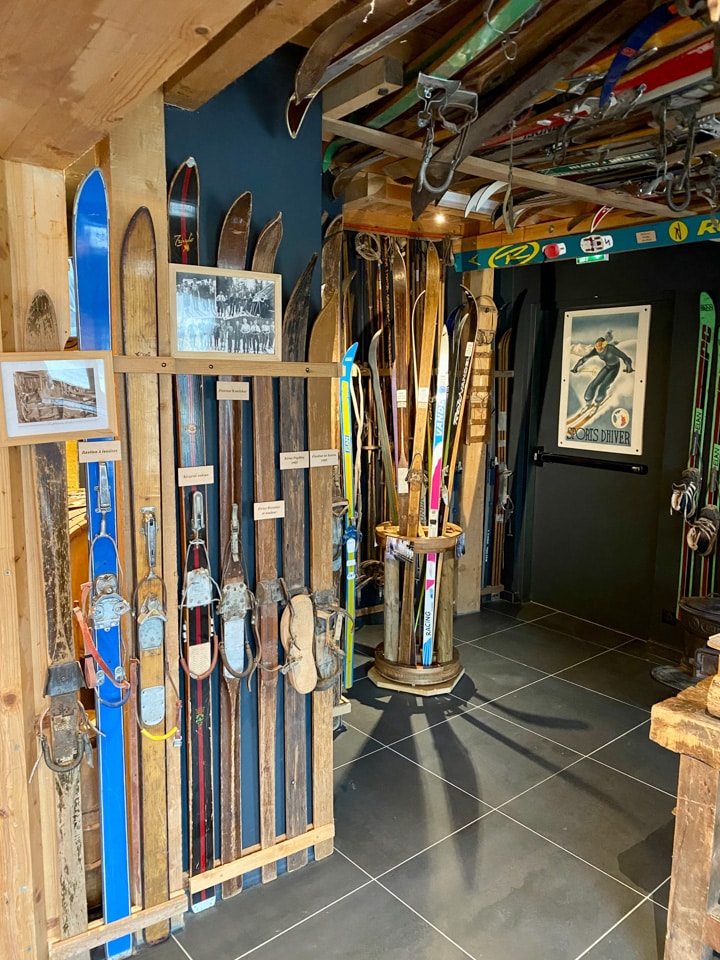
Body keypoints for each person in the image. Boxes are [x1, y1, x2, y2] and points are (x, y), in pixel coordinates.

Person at [571, 330, 634, 407]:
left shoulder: (610, 348)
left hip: (615, 368)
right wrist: (575, 368)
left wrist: (629, 368)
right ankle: (588, 401)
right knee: (594, 383)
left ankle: (598, 402)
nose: (598, 348)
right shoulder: (596, 350)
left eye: (599, 346)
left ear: (604, 345)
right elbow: (584, 359)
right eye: (596, 346)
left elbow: (625, 357)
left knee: (603, 385)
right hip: (607, 367)